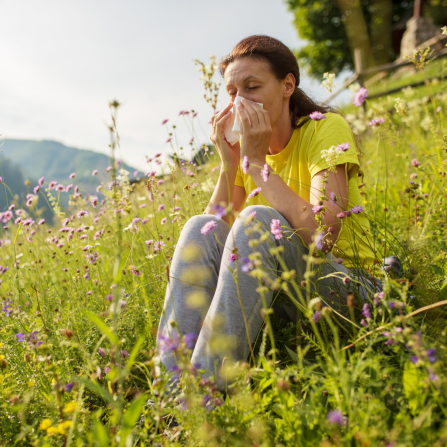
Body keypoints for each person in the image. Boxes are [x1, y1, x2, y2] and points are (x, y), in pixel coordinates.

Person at [156, 35, 383, 393]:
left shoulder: (325, 129)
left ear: (287, 85)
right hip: (285, 295)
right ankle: (169, 396)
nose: (240, 101)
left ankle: (200, 398)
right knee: (200, 226)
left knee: (258, 220)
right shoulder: (247, 153)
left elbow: (321, 238)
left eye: (252, 86)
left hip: (350, 290)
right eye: (232, 93)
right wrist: (230, 164)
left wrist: (257, 162)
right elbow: (210, 241)